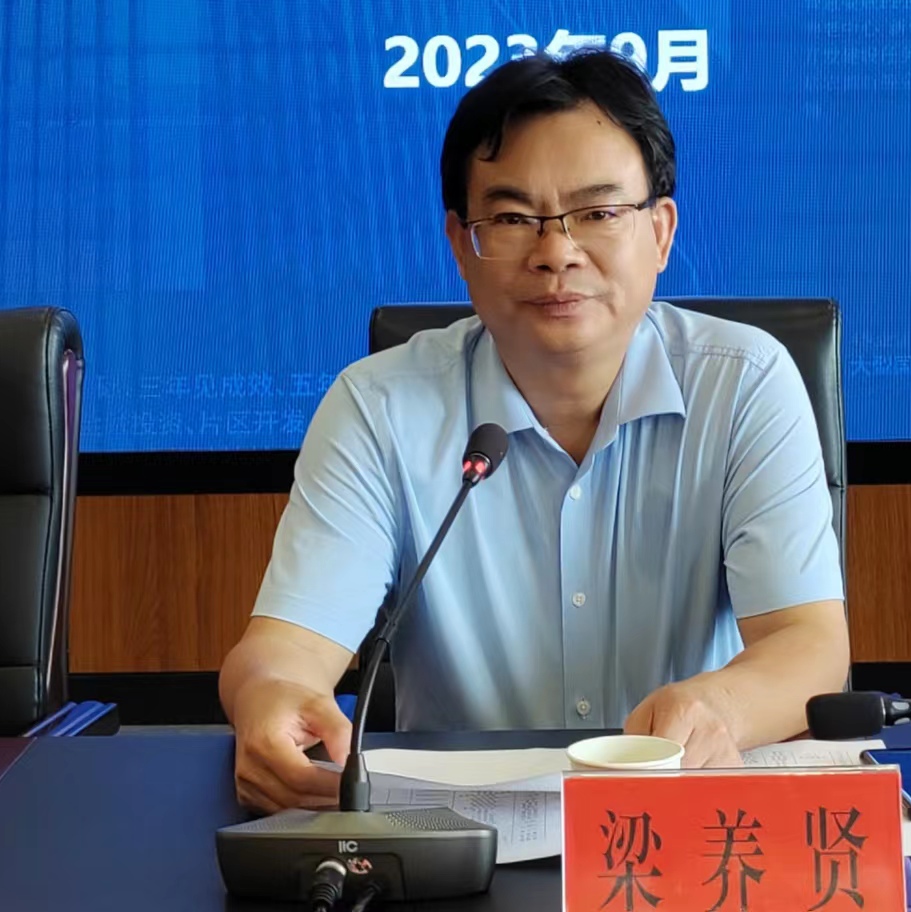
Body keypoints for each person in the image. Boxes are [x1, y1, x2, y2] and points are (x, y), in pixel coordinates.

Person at [220, 48, 849, 813]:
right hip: (456, 839)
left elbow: (808, 642)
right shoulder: (378, 407)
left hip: (676, 818)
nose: (557, 254)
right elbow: (286, 647)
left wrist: (721, 708)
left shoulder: (745, 383)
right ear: (461, 243)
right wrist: (270, 698)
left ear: (660, 232)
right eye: (514, 219)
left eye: (598, 213)